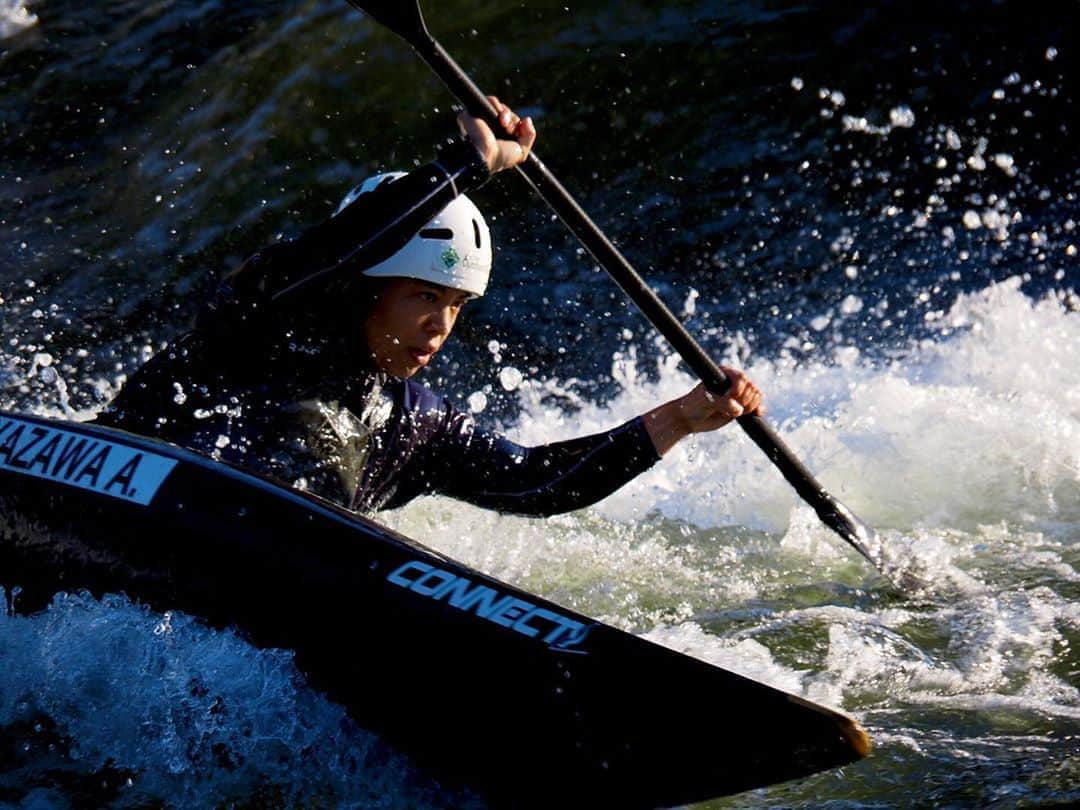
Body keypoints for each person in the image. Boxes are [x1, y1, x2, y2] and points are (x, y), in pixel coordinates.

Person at [94, 98, 764, 517]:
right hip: (111, 490)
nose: (441, 323)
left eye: (456, 304)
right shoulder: (266, 312)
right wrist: (467, 165)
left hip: (247, 562)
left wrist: (675, 419)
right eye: (423, 295)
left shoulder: (413, 424)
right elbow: (341, 248)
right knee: (310, 430)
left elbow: (530, 482)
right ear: (368, 287)